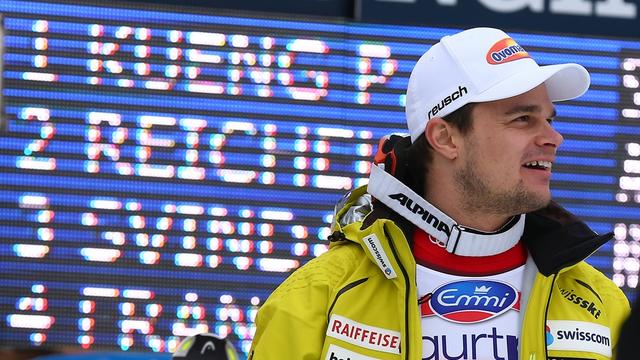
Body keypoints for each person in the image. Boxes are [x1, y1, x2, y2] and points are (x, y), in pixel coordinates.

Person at [248, 27, 630, 360]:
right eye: (522, 119)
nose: (553, 138)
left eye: (548, 119)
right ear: (446, 137)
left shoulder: (602, 306)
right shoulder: (317, 300)